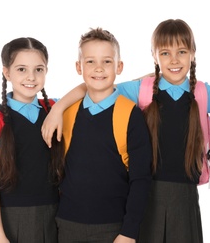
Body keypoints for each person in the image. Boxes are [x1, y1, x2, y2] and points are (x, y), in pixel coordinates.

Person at [40, 19, 210, 243]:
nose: (174, 59)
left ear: (193, 54)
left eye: (182, 51)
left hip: (185, 197)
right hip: (147, 194)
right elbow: (95, 87)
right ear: (154, 56)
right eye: (165, 53)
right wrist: (58, 107)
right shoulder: (142, 89)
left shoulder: (203, 92)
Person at [55, 28, 152, 243]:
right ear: (79, 67)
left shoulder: (131, 115)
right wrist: (56, 110)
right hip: (68, 225)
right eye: (90, 62)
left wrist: (129, 231)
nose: (98, 68)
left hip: (114, 228)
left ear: (119, 66)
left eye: (107, 61)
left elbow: (141, 179)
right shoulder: (66, 113)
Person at [0, 37, 64, 243]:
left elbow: (92, 88)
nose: (31, 77)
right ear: (7, 72)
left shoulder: (54, 109)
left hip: (51, 215)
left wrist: (60, 108)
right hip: (9, 218)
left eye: (39, 69)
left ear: (46, 71)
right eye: (21, 69)